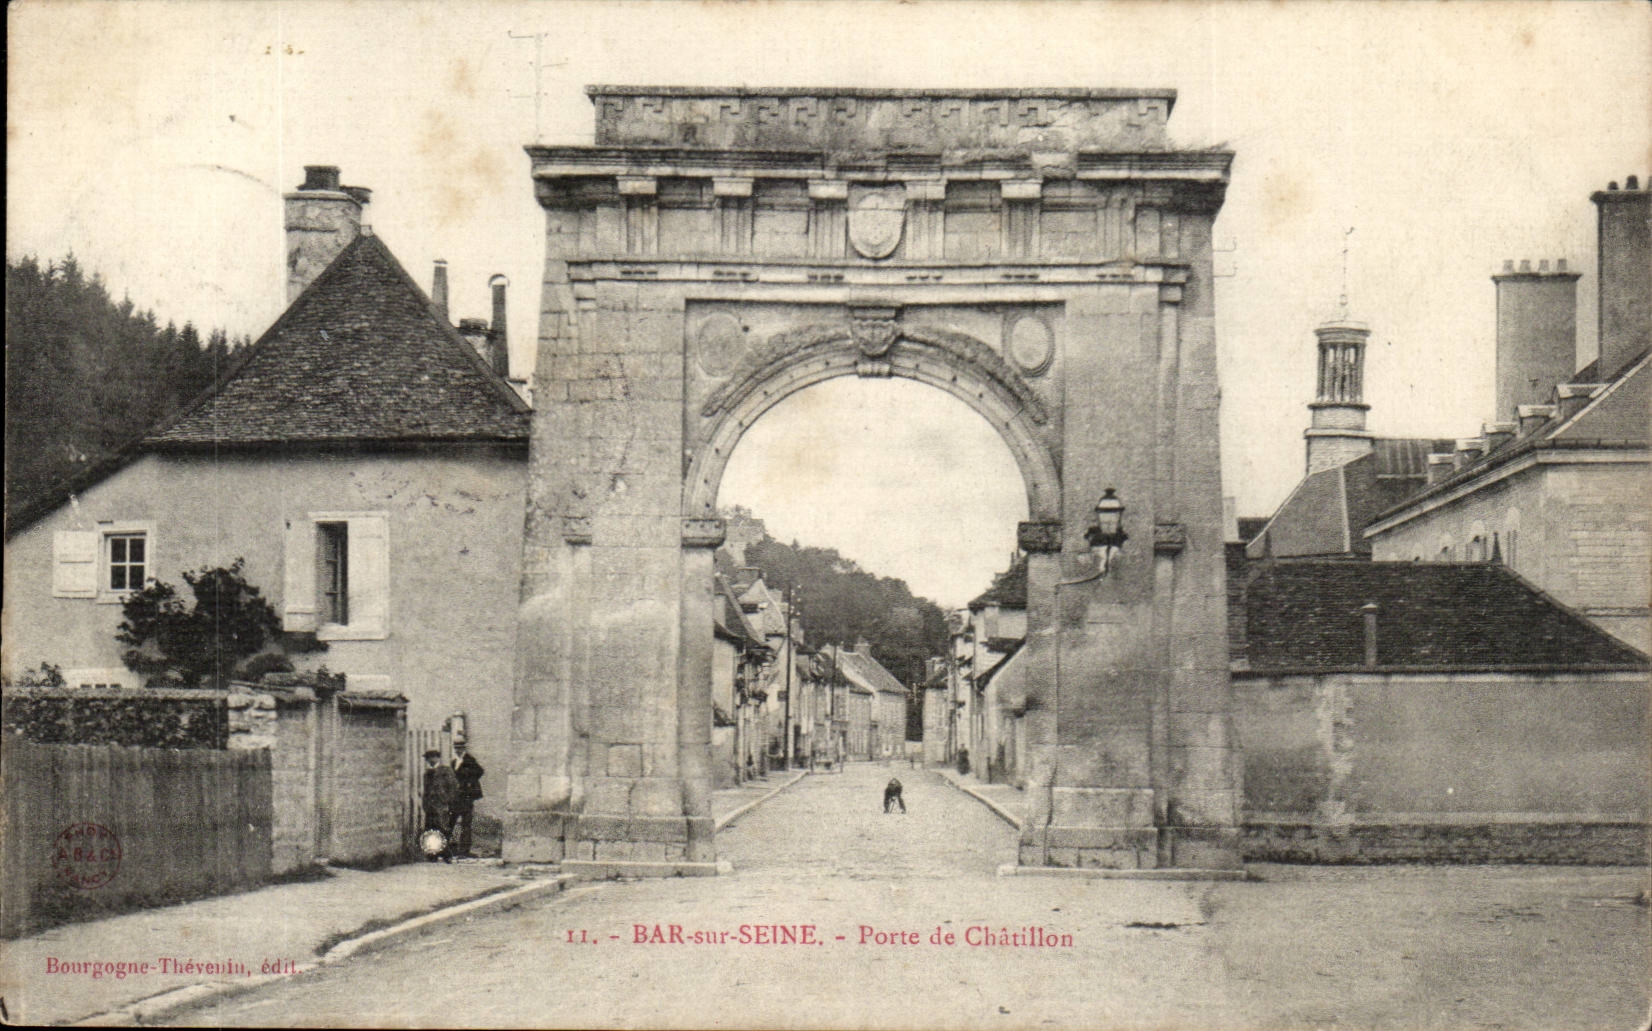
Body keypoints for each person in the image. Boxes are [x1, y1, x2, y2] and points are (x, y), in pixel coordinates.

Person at [450, 741, 485, 858]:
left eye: (460, 748)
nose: (458, 750)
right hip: (455, 797)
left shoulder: (469, 760)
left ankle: (464, 850)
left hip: (466, 797)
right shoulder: (454, 762)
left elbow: (480, 771)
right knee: (451, 821)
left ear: (464, 748)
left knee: (466, 823)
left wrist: (469, 782)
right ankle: (448, 848)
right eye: (456, 748)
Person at [421, 749, 457, 862]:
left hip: (441, 805)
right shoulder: (427, 773)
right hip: (430, 806)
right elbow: (426, 790)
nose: (430, 760)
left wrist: (446, 800)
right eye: (428, 758)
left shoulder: (445, 771)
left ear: (437, 758)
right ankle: (433, 854)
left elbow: (453, 786)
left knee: (442, 828)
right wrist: (425, 803)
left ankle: (447, 854)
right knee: (430, 829)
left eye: (432, 757)